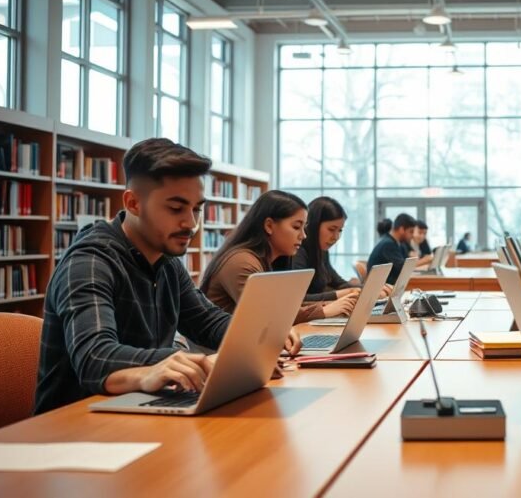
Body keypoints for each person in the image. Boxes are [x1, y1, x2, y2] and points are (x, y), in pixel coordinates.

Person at [35, 139, 301, 415]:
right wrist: (183, 361)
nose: (192, 223)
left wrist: (260, 334)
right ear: (133, 203)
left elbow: (205, 319)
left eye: (196, 209)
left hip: (140, 412)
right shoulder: (89, 261)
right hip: (74, 425)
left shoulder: (166, 261)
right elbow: (95, 356)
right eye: (176, 208)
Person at [201, 191, 358, 323]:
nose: (303, 236)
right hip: (216, 353)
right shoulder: (242, 262)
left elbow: (286, 305)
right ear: (269, 226)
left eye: (304, 228)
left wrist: (329, 306)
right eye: (296, 227)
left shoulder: (267, 259)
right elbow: (269, 316)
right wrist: (325, 310)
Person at [367, 212, 414, 282]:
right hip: (383, 286)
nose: (412, 235)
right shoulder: (388, 244)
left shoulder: (397, 243)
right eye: (411, 232)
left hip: (389, 284)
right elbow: (403, 268)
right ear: (401, 229)